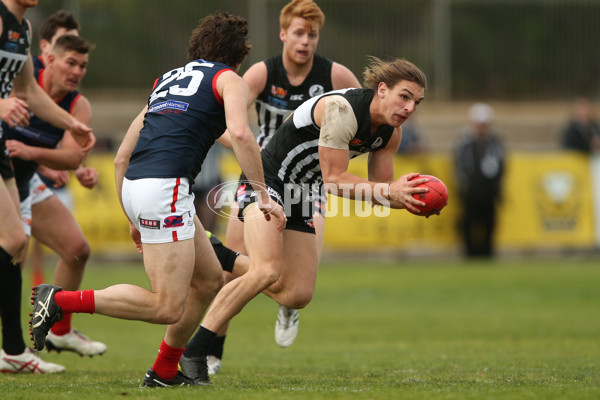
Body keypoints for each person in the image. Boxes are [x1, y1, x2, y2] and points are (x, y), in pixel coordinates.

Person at [29, 12, 285, 387]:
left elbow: (121, 156)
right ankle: (62, 301)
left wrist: (131, 216)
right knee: (166, 305)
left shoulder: (168, 79)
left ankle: (164, 371)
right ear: (238, 56)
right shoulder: (228, 77)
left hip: (137, 186)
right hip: (166, 189)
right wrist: (263, 195)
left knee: (210, 279)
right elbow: (242, 135)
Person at [179, 57, 429, 382]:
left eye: (417, 102)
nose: (410, 107)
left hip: (303, 193)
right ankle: (196, 351)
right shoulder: (343, 110)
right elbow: (335, 179)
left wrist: (411, 199)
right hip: (266, 181)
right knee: (266, 270)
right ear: (382, 89)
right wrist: (389, 192)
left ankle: (220, 254)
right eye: (404, 96)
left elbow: (383, 191)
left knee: (297, 295)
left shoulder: (390, 134)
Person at [204, 0, 361, 375]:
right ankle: (211, 352)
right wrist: (248, 146)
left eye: (312, 35)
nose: (305, 41)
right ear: (283, 34)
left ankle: (289, 303)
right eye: (298, 33)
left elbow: (366, 116)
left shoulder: (335, 75)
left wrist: (339, 156)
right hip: (261, 176)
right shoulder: (262, 73)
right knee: (228, 273)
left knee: (303, 265)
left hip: (308, 182)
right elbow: (222, 121)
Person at [0, 0, 93, 375]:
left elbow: (30, 94)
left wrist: (72, 124)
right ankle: (13, 350)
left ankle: (12, 352)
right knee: (14, 242)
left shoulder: (21, 30)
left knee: (15, 242)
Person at [28, 9, 90, 287]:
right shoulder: (24, 75)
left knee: (77, 250)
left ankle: (58, 329)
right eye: (70, 60)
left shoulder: (78, 104)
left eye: (82, 64)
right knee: (14, 246)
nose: (77, 70)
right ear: (48, 53)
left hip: (24, 178)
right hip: (10, 174)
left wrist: (76, 167)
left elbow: (71, 155)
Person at [454, 103, 506, 258]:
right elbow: (459, 166)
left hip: (489, 190)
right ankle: (470, 253)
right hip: (470, 191)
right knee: (469, 223)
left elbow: (502, 165)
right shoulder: (465, 143)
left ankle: (488, 252)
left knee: (489, 222)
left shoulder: (495, 142)